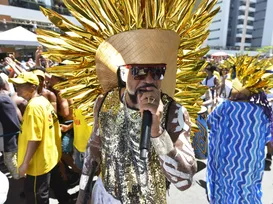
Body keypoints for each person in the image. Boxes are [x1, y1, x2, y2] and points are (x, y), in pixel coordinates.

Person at [36, 0, 219, 203]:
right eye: (140, 71)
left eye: (158, 72)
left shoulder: (173, 110)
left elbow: (184, 181)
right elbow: (93, 149)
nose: (149, 80)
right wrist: (82, 194)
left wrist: (158, 131)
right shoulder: (106, 101)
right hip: (104, 196)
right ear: (124, 73)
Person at [206, 55, 273, 204]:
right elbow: (268, 135)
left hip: (226, 159)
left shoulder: (226, 106)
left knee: (225, 189)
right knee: (248, 189)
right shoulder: (262, 110)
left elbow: (210, 121)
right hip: (250, 160)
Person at [9, 72, 62, 204]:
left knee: (37, 197)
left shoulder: (34, 107)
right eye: (16, 85)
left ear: (33, 87)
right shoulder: (43, 101)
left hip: (36, 164)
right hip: (46, 158)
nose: (17, 89)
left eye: (20, 86)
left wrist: (25, 163)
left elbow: (35, 138)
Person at [0, 75, 21, 179]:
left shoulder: (2, 99)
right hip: (7, 138)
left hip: (10, 139)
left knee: (13, 166)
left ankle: (26, 187)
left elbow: (13, 122)